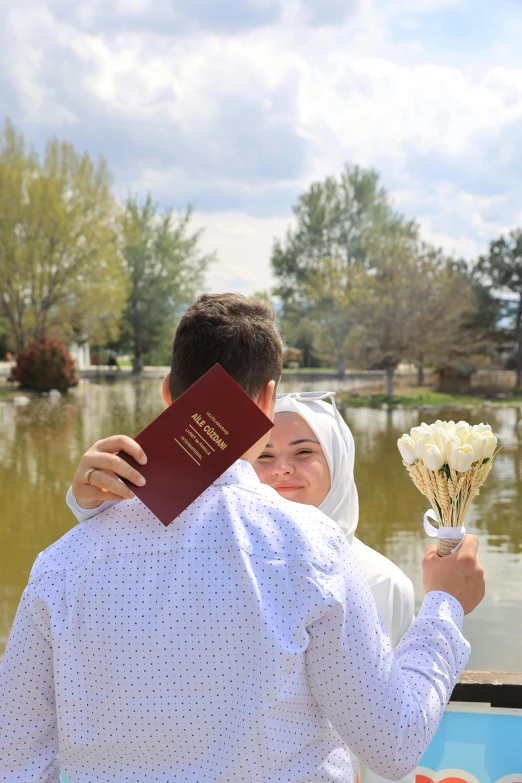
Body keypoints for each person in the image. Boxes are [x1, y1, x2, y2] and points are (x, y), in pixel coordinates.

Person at [0, 293, 485, 783]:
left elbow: (14, 761)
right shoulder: (311, 549)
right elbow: (393, 743)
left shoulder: (61, 564)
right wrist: (446, 604)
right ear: (269, 401)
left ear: (168, 391)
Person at [66, 391, 415, 783]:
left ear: (339, 460)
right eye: (264, 455)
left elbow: (391, 734)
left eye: (303, 453)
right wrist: (94, 507)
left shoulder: (384, 582)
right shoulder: (225, 560)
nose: (282, 469)